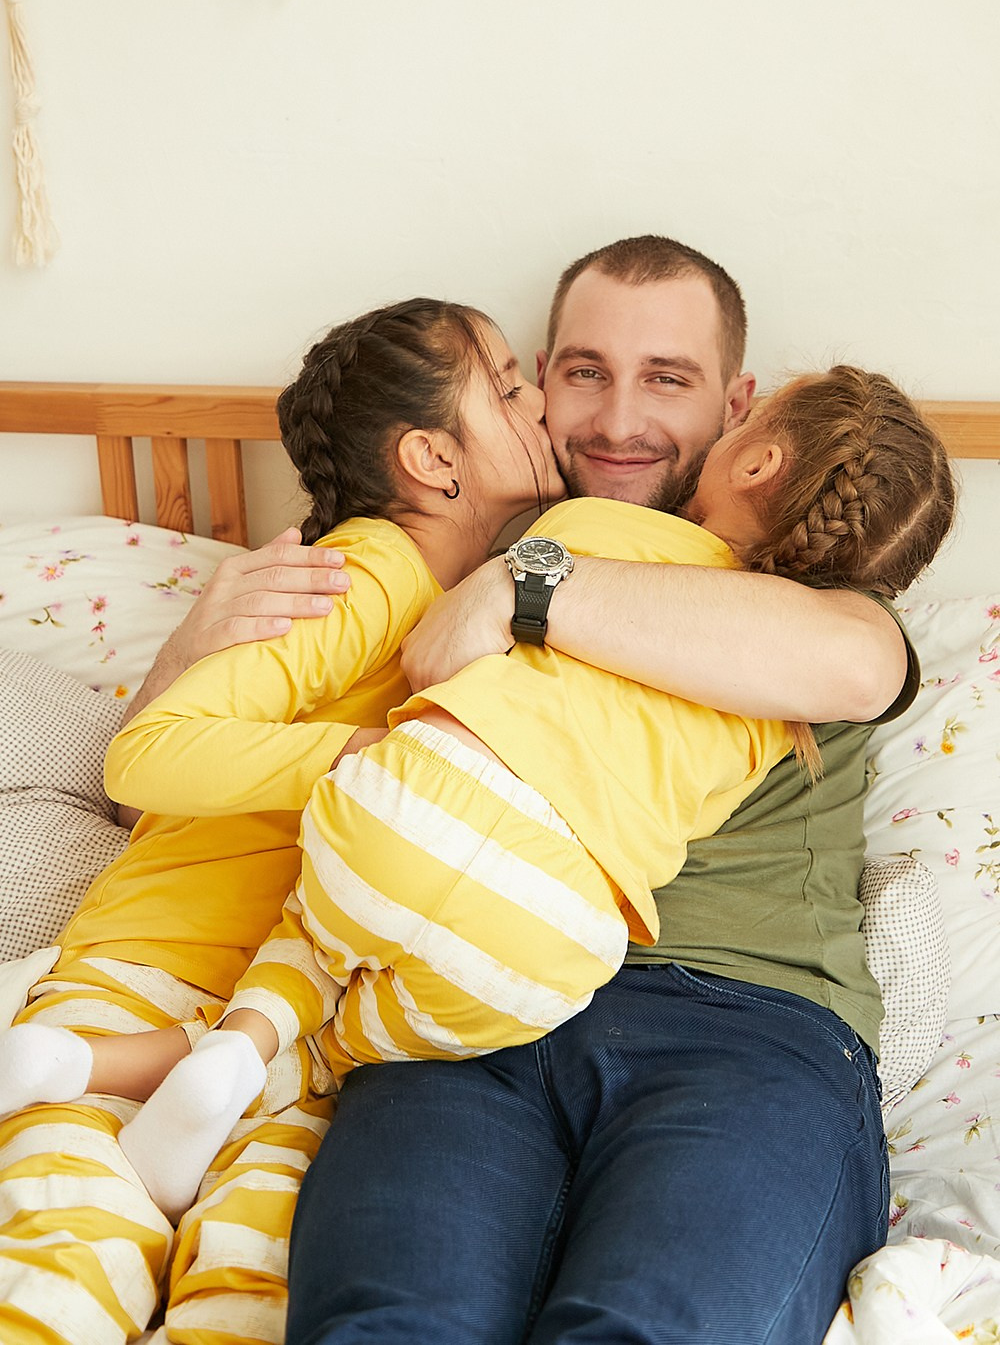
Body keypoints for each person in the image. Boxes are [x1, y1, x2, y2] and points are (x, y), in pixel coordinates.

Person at [17, 364, 953, 1248]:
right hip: (542, 933)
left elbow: (438, 667)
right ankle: (210, 1067)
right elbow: (139, 776)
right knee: (356, 1046)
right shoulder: (763, 695)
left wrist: (497, 617)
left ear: (741, 424)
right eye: (556, 378)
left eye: (668, 378)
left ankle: (174, 1060)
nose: (599, 415)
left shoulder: (628, 560)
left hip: (414, 823)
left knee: (314, 923)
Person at [0, 296, 563, 1345]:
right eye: (509, 383)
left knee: (253, 1294)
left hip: (283, 1030)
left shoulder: (504, 605)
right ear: (434, 458)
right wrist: (373, 761)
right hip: (151, 973)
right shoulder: (361, 572)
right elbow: (148, 752)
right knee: (65, 1265)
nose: (539, 403)